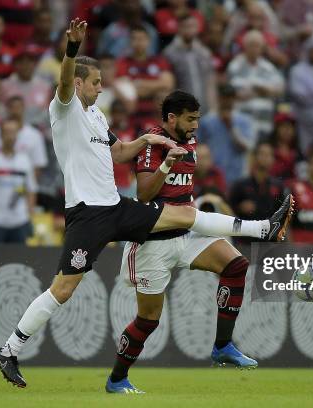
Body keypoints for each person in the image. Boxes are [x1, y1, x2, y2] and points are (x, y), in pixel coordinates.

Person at [0, 18, 294, 389]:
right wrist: (71, 49)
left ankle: (263, 228)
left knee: (181, 214)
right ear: (81, 83)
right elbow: (65, 79)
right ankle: (9, 350)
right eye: (97, 82)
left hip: (116, 206)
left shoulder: (96, 115)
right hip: (87, 214)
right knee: (64, 289)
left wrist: (156, 143)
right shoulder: (65, 107)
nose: (102, 89)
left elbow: (120, 151)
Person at [106, 90, 257, 394]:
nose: (195, 126)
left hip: (187, 233)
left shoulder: (189, 139)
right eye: (190, 119)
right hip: (153, 243)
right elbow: (145, 194)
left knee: (236, 265)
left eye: (197, 120)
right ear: (172, 118)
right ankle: (117, 379)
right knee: (148, 320)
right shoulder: (154, 141)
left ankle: (223, 346)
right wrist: (166, 165)